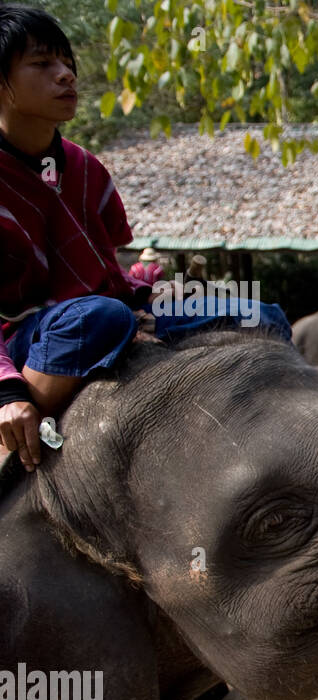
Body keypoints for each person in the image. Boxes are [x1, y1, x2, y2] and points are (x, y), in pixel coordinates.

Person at [0, 5, 289, 471]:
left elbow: (105, 271)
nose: (66, 76)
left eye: (67, 63)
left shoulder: (86, 169)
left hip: (115, 306)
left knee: (258, 314)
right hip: (31, 335)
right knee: (98, 318)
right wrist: (6, 391)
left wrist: (149, 297)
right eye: (42, 64)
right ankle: (14, 442)